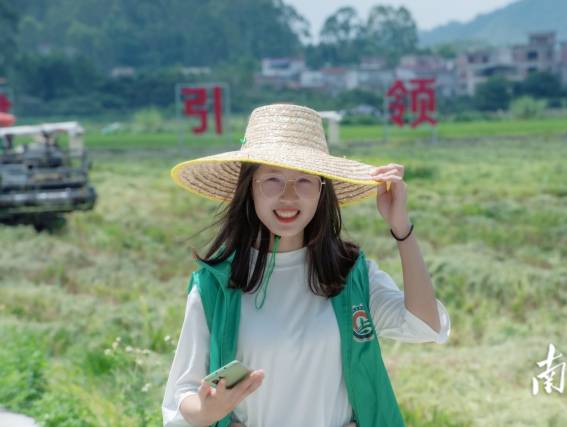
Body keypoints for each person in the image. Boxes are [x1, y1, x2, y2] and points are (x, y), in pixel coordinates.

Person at [162, 103, 451, 427]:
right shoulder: (214, 285)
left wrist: (402, 229)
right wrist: (208, 411)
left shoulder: (350, 275)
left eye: (304, 181)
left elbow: (427, 325)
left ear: (321, 191)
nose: (288, 196)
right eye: (272, 180)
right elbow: (182, 393)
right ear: (250, 189)